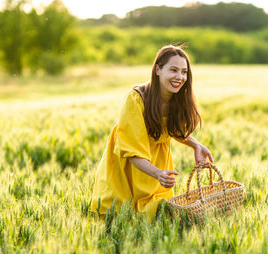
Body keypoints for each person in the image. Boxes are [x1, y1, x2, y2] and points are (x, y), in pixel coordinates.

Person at [91, 45, 213, 220]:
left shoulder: (176, 98)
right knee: (121, 216)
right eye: (173, 70)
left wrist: (196, 145)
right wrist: (157, 173)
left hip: (157, 167)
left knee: (159, 216)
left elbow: (168, 130)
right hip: (129, 168)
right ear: (158, 69)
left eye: (184, 72)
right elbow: (131, 151)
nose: (180, 77)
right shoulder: (136, 99)